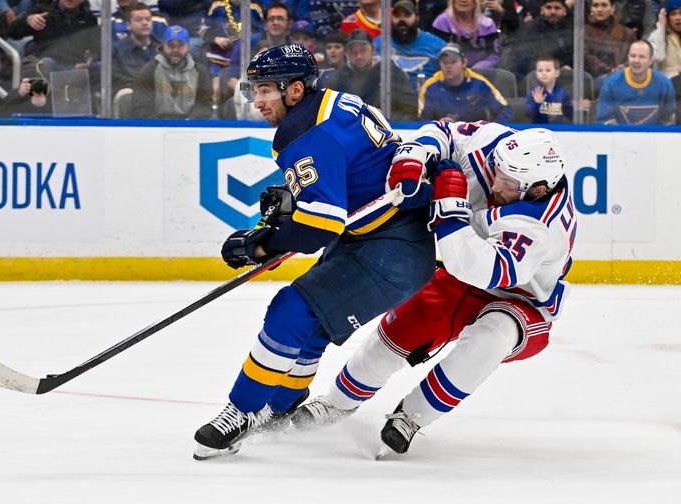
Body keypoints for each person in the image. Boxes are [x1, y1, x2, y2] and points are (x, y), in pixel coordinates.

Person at [193, 43, 437, 459]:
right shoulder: (335, 103)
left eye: (266, 89)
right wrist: (296, 199)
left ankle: (242, 411)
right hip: (389, 237)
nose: (257, 101)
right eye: (254, 89)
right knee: (314, 322)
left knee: (291, 309)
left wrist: (261, 244)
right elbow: (350, 172)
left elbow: (320, 227)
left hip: (389, 250)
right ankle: (283, 402)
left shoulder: (305, 134)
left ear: (295, 90)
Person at [292, 124, 578, 457]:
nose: (496, 183)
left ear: (538, 189)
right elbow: (446, 130)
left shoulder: (542, 224)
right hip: (464, 279)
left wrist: (449, 210)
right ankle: (338, 403)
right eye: (498, 172)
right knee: (401, 328)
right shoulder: (499, 148)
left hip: (522, 302)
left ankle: (411, 417)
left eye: (509, 183)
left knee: (491, 336)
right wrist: (418, 153)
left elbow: (483, 268)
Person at [321, 29, 418, 121]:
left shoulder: (391, 73)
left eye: (363, 50)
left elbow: (410, 109)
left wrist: (391, 127)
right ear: (346, 53)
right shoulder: (337, 79)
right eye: (353, 51)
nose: (359, 56)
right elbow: (327, 114)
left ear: (373, 50)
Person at [130, 25, 213, 119]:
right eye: (171, 45)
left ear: (188, 46)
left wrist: (188, 123)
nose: (175, 50)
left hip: (189, 127)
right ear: (163, 45)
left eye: (180, 45)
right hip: (156, 128)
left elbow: (205, 105)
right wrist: (161, 127)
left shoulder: (200, 72)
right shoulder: (149, 71)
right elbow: (141, 107)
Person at [419, 43, 513, 122]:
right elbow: (422, 120)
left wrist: (490, 131)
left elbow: (505, 110)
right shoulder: (430, 86)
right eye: (444, 62)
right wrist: (438, 126)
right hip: (444, 136)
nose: (448, 66)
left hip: (475, 136)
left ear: (464, 63)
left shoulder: (480, 83)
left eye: (453, 62)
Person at [7, 0, 101, 79]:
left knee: (101, 67)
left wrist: (89, 61)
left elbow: (95, 50)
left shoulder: (89, 19)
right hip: (49, 64)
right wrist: (27, 20)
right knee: (47, 63)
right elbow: (12, 33)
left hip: (78, 67)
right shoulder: (43, 12)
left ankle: (111, 100)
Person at [597, 39, 677, 124]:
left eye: (642, 57)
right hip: (621, 136)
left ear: (651, 60)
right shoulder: (611, 84)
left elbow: (668, 120)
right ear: (628, 57)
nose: (636, 60)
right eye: (633, 56)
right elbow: (606, 121)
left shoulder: (664, 84)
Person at [372, 0, 446, 90]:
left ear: (417, 18)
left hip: (427, 100)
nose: (402, 20)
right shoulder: (379, 44)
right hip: (389, 100)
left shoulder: (437, 45)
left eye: (407, 15)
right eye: (397, 16)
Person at [505, 0, 573, 79]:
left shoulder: (571, 30)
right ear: (542, 10)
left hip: (564, 77)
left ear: (564, 11)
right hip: (534, 77)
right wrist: (553, 69)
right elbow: (524, 59)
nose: (553, 11)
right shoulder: (529, 29)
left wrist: (570, 67)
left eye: (557, 8)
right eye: (548, 8)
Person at [431, 0, 501, 69]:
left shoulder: (488, 24)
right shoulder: (442, 22)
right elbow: (436, 54)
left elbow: (494, 56)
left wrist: (474, 72)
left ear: (475, 2)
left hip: (482, 73)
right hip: (450, 71)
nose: (463, 1)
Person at [584, 0, 637, 90]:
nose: (599, 9)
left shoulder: (628, 33)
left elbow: (635, 56)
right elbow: (586, 57)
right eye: (595, 5)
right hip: (595, 80)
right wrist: (610, 70)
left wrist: (625, 66)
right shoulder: (584, 31)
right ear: (591, 9)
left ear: (613, 9)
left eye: (604, 5)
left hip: (624, 77)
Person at [112, 2, 162, 91]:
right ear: (128, 25)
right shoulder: (116, 50)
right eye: (138, 20)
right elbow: (116, 80)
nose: (145, 23)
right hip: (131, 94)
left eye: (148, 19)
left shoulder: (161, 49)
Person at [525, 56, 574, 123]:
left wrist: (576, 107)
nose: (543, 73)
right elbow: (528, 114)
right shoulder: (533, 93)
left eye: (548, 70)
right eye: (540, 70)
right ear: (536, 74)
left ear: (557, 73)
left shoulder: (563, 93)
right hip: (540, 130)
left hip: (560, 131)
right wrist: (537, 103)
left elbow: (569, 114)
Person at [647, 1, 681, 80]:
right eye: (673, 14)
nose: (678, 18)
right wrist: (661, 26)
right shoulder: (655, 36)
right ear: (667, 17)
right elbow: (658, 57)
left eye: (680, 13)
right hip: (666, 84)